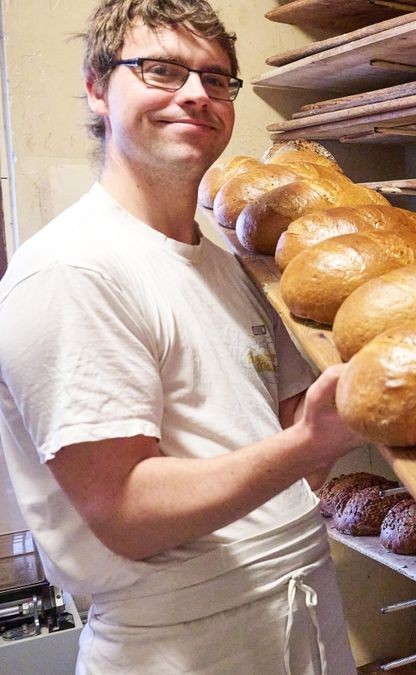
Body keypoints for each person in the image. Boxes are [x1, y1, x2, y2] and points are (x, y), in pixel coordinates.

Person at [0, 1, 362, 672]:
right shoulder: (72, 269)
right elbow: (126, 509)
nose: (196, 94)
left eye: (216, 78)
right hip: (179, 645)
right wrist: (310, 440)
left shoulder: (233, 265)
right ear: (97, 87)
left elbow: (293, 452)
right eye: (161, 70)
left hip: (299, 611)